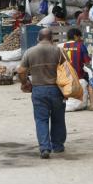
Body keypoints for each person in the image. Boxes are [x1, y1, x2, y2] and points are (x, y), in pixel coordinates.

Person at [17, 28, 68, 159]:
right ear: (52, 38)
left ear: (38, 38)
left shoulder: (30, 52)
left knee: (41, 119)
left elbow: (21, 71)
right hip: (57, 90)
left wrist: (25, 83)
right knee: (58, 119)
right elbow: (68, 71)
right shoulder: (59, 51)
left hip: (38, 89)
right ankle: (57, 146)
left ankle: (45, 148)